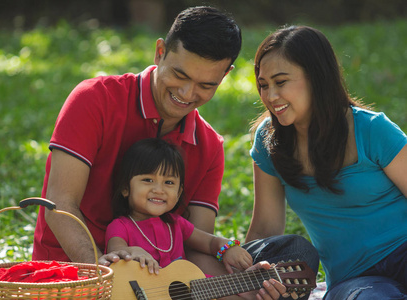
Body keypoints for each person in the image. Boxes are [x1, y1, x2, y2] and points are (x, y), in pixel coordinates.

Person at [32, 6, 318, 299]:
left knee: (293, 253)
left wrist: (235, 287)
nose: (187, 93)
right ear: (159, 53)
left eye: (206, 85)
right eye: (179, 74)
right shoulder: (95, 99)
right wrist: (103, 274)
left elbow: (192, 245)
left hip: (159, 285)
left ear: (225, 75)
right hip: (74, 272)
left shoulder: (208, 146)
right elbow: (59, 202)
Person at [248, 25, 407, 300]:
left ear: (316, 77)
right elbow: (265, 228)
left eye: (281, 81)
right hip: (356, 279)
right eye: (263, 85)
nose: (270, 96)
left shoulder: (372, 130)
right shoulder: (269, 141)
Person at [106, 138, 253, 279]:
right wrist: (132, 251)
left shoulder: (176, 224)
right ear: (125, 188)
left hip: (185, 290)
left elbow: (209, 243)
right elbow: (115, 251)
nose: (159, 190)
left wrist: (227, 248)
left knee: (231, 291)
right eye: (148, 180)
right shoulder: (121, 226)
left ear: (179, 192)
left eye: (169, 182)